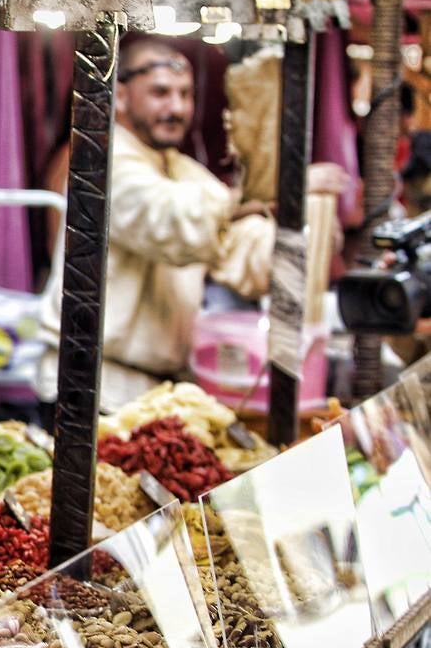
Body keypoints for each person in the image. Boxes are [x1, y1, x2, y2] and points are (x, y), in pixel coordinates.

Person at [36, 39, 349, 409]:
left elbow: (242, 253)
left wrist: (310, 225)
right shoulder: (102, 160)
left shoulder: (185, 172)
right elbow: (168, 217)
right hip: (92, 388)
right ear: (120, 97)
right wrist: (273, 189)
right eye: (160, 93)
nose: (176, 108)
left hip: (156, 394)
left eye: (185, 95)